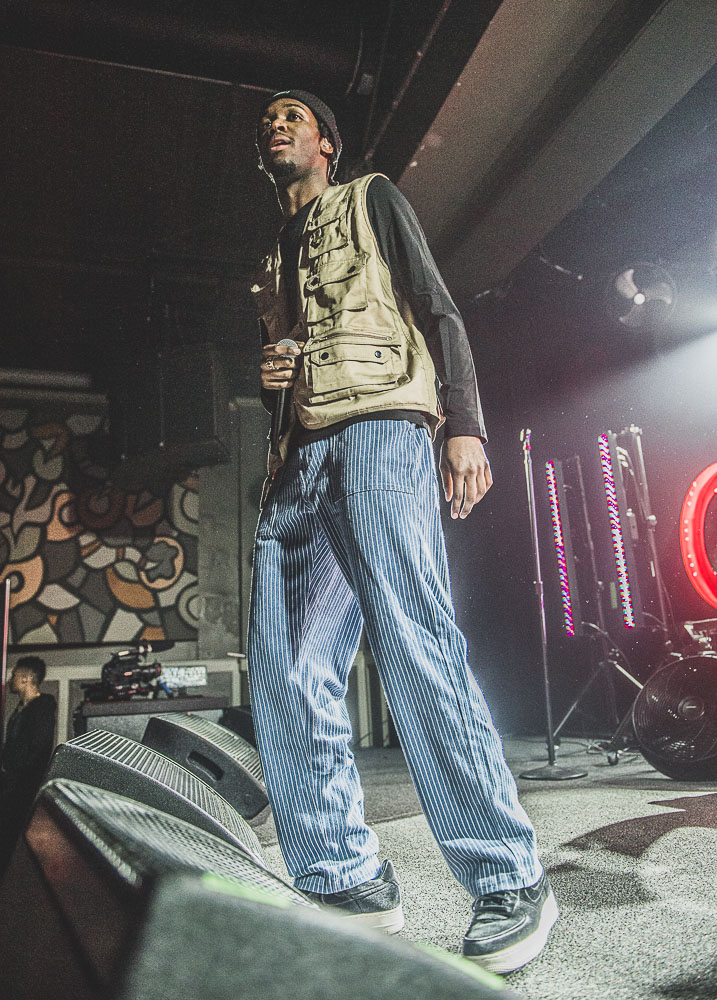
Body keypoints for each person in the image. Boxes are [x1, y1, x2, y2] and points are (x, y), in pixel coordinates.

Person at [247, 89, 557, 973]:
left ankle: (509, 876)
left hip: (382, 429)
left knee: (413, 639)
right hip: (296, 458)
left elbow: (436, 305)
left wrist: (465, 425)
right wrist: (271, 375)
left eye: (293, 116)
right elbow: (289, 364)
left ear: (326, 143)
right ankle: (342, 877)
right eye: (267, 122)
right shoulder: (267, 259)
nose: (276, 125)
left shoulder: (372, 197)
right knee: (285, 667)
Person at [0, 656, 57, 872]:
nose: (11, 679)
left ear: (26, 678)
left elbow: (38, 750)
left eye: (14, 675)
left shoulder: (41, 709)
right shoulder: (21, 709)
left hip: (22, 788)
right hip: (12, 784)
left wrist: (16, 776)